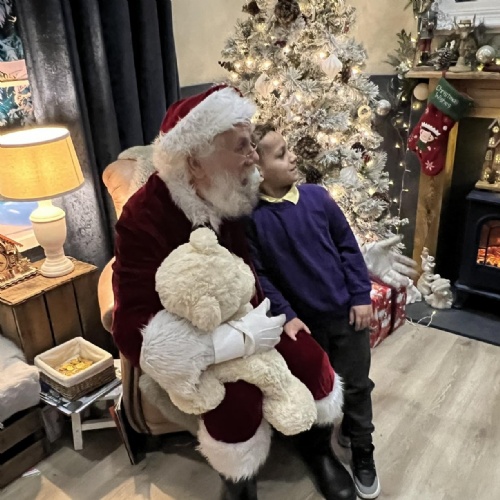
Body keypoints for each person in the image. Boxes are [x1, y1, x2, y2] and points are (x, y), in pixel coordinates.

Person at [112, 86, 348, 500]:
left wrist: (280, 314)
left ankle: (317, 451)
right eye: (241, 146)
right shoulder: (143, 216)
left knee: (311, 358)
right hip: (195, 340)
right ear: (195, 161)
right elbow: (131, 328)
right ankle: (238, 481)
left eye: (252, 144)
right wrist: (230, 342)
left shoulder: (232, 193)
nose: (254, 157)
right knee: (236, 401)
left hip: (251, 317)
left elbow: (253, 269)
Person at [248, 124, 382, 500]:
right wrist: (286, 313)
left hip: (347, 315)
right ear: (257, 169)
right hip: (304, 327)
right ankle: (319, 451)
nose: (293, 157)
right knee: (315, 389)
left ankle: (362, 447)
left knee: (357, 385)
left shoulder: (318, 198)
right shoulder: (251, 220)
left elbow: (348, 247)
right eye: (281, 154)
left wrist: (360, 295)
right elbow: (260, 276)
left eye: (288, 149)